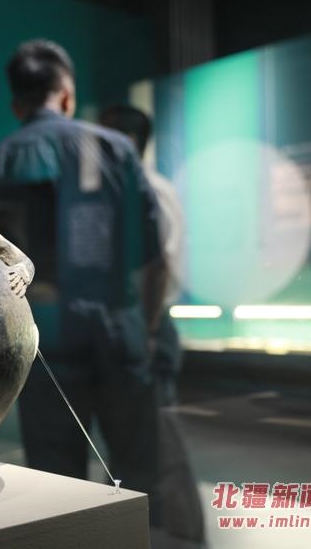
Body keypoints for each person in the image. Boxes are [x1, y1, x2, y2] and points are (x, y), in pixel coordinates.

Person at [0, 40, 166, 513]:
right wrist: (145, 330)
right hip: (120, 328)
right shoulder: (117, 148)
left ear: (16, 105)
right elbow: (153, 255)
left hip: (46, 338)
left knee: (56, 486)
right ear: (66, 95)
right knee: (140, 473)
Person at [99, 105, 206, 546]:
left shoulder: (147, 191)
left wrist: (143, 331)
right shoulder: (139, 188)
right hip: (142, 326)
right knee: (140, 445)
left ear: (125, 141)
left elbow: (157, 267)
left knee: (162, 443)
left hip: (148, 327)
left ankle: (186, 537)